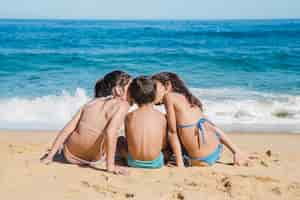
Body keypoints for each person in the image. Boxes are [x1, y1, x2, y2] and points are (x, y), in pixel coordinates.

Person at [40, 70, 132, 174]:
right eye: (130, 88)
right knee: (120, 141)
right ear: (118, 90)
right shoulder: (123, 105)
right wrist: (110, 166)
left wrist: (50, 156)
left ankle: (57, 150)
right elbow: (110, 133)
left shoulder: (90, 103)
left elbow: (67, 129)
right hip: (92, 159)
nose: (134, 91)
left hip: (70, 155)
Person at [152, 72, 249, 167]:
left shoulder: (169, 96)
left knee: (165, 129)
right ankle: (237, 151)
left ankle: (181, 159)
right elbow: (212, 128)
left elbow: (172, 133)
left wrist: (180, 164)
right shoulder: (189, 101)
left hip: (196, 160)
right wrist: (236, 151)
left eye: (155, 87)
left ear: (167, 85)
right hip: (215, 152)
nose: (152, 91)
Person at [119, 76, 167, 168]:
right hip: (156, 163)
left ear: (133, 96)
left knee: (120, 140)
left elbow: (130, 141)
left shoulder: (129, 117)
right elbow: (163, 144)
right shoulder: (161, 117)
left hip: (133, 162)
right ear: (154, 95)